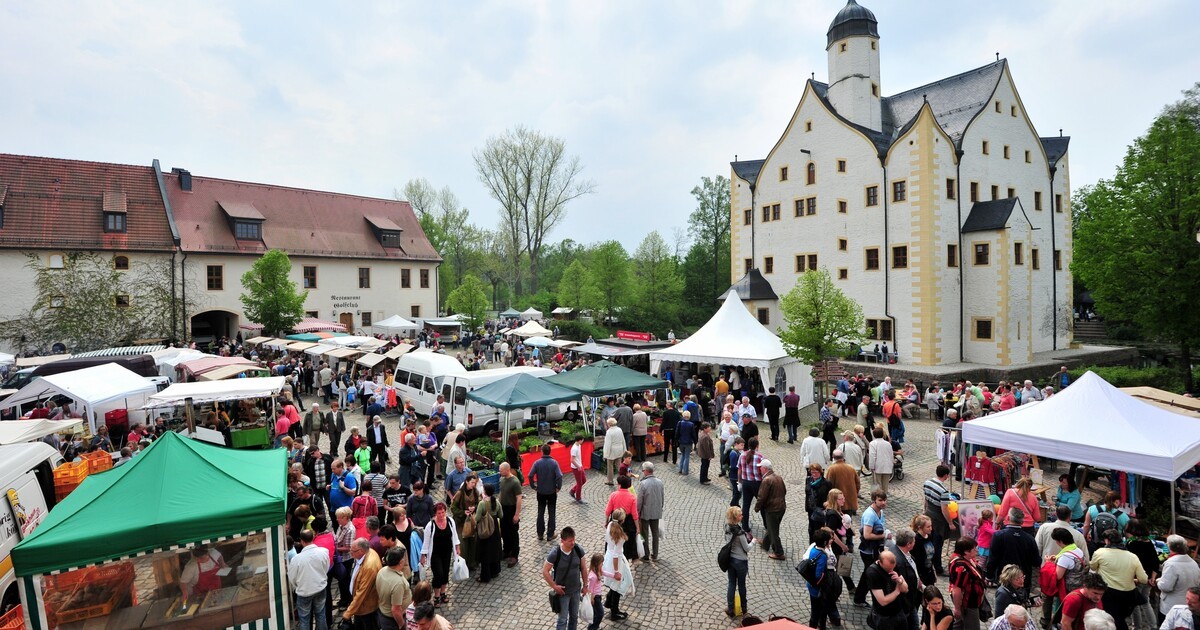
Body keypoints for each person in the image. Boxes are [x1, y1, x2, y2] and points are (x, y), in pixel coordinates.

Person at [1090, 528, 1147, 630]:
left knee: (1112, 621)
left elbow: (1093, 567)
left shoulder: (1100, 552)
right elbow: (1143, 579)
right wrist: (1133, 580)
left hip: (1109, 593)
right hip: (1129, 595)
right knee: (1119, 619)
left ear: (1107, 540)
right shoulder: (1133, 556)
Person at [987, 509, 1040, 594]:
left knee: (1004, 603)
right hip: (1023, 579)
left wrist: (989, 576)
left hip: (1004, 577)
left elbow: (993, 558)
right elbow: (1036, 561)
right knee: (1021, 605)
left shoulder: (998, 535)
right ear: (1022, 521)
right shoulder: (1029, 538)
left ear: (1008, 518)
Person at [543, 526, 587, 630]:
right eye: (570, 541)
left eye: (574, 540)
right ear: (562, 541)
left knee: (574, 617)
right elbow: (545, 571)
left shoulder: (578, 549)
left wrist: (586, 585)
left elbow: (584, 568)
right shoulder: (555, 553)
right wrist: (554, 586)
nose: (573, 543)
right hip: (562, 593)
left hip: (576, 591)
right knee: (562, 620)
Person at [419, 503, 461, 606]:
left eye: (443, 512)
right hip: (435, 554)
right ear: (435, 513)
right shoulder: (431, 525)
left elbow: (455, 536)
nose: (442, 515)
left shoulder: (450, 521)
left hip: (447, 552)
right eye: (439, 513)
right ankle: (436, 596)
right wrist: (423, 556)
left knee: (446, 572)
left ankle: (443, 593)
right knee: (439, 574)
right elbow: (426, 542)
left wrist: (457, 547)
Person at [855, 490, 890, 607]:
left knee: (867, 574)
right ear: (874, 500)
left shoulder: (880, 511)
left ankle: (859, 598)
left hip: (875, 549)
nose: (883, 503)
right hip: (868, 551)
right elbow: (867, 535)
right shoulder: (870, 515)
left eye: (884, 500)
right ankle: (867, 599)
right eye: (880, 500)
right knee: (870, 574)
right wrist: (884, 535)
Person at [288, 530, 329, 630]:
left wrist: (298, 586)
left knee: (304, 619)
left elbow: (292, 578)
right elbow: (326, 568)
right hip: (320, 588)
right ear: (313, 537)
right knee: (320, 614)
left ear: (302, 541)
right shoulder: (324, 552)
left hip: (304, 592)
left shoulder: (296, 559)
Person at [1123, 519, 1159, 630]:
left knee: (1134, 604)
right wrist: (1153, 578)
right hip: (1148, 579)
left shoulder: (1132, 544)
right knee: (1145, 602)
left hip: (1136, 579)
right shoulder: (1149, 542)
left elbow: (1128, 563)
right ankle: (1153, 626)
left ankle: (1137, 626)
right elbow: (1155, 561)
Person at [922, 464, 958, 576]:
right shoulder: (943, 491)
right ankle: (938, 568)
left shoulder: (927, 482)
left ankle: (927, 562)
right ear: (946, 475)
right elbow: (944, 509)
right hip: (938, 520)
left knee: (928, 541)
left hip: (929, 514)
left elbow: (926, 500)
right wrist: (951, 523)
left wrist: (925, 511)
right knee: (937, 545)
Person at [1156, 535, 1200, 622]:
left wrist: (1158, 581)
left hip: (1171, 607)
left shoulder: (1171, 564)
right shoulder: (1193, 563)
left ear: (1170, 547)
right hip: (1188, 605)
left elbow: (1166, 587)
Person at [865, 550, 911, 630]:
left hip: (899, 611)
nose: (891, 570)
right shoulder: (873, 573)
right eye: (888, 569)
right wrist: (897, 592)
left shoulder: (893, 566)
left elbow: (906, 589)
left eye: (892, 568)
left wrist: (899, 582)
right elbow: (883, 601)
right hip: (884, 616)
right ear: (879, 562)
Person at [886, 529, 922, 630]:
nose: (915, 543)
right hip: (904, 604)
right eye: (914, 541)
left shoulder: (896, 549)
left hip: (909, 602)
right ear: (908, 544)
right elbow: (901, 586)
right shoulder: (899, 562)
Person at [603, 510, 635, 620]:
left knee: (613, 584)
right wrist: (617, 572)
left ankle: (608, 601)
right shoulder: (620, 536)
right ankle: (614, 612)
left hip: (608, 557)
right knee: (617, 585)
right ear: (622, 520)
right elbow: (616, 556)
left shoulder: (610, 525)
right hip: (615, 562)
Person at [343, 538, 382, 629]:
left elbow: (362, 593)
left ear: (361, 551)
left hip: (366, 608)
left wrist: (348, 612)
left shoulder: (369, 567)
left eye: (352, 551)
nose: (350, 552)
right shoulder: (368, 552)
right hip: (360, 606)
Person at [949, 538, 987, 630]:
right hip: (968, 604)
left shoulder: (969, 560)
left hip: (973, 602)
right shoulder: (961, 567)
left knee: (960, 625)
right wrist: (957, 609)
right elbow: (957, 589)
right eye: (974, 549)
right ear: (966, 552)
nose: (977, 550)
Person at [528, 443, 564, 541]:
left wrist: (533, 486)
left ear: (542, 451)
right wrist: (558, 487)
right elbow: (559, 476)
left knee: (540, 512)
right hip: (551, 492)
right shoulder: (554, 463)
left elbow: (530, 475)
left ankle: (540, 533)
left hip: (541, 492)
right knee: (551, 513)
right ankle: (550, 534)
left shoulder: (537, 463)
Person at [804, 527, 837, 630]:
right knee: (818, 612)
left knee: (816, 611)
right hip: (818, 588)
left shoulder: (814, 549)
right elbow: (819, 575)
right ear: (824, 542)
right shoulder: (822, 555)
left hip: (811, 585)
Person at [756, 458, 787, 561]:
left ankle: (779, 553)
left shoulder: (766, 480)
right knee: (771, 527)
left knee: (773, 532)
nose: (760, 469)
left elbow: (761, 496)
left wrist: (757, 507)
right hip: (781, 507)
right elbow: (785, 491)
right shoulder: (779, 477)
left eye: (760, 467)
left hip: (772, 509)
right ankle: (765, 543)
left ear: (765, 469)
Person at [449, 473, 481, 571]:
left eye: (474, 483)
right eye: (472, 483)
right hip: (461, 523)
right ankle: (463, 565)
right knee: (463, 544)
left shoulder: (475, 492)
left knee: (472, 542)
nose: (473, 485)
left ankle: (472, 563)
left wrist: (474, 508)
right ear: (466, 482)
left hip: (471, 521)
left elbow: (478, 503)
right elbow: (453, 508)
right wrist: (463, 512)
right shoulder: (459, 493)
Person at [725, 506, 752, 618]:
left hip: (730, 560)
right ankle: (744, 608)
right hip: (740, 562)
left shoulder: (727, 527)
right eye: (740, 515)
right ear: (736, 518)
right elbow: (747, 548)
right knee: (741, 585)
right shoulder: (740, 533)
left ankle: (730, 609)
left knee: (731, 583)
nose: (742, 516)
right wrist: (753, 542)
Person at [376, 546, 412, 630]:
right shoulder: (398, 583)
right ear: (401, 562)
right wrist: (402, 625)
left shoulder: (383, 570)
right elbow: (395, 610)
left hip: (383, 614)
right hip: (393, 621)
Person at [474, 483, 504, 583]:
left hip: (485, 529)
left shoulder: (482, 503)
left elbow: (477, 518)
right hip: (494, 528)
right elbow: (501, 515)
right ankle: (495, 571)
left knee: (485, 552)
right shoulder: (496, 501)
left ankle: (485, 576)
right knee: (494, 550)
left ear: (485, 492)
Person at [636, 461, 664, 561]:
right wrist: (660, 508)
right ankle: (655, 555)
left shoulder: (643, 484)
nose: (643, 472)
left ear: (647, 471)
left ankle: (646, 555)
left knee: (644, 534)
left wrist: (637, 513)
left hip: (645, 513)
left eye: (643, 471)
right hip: (656, 512)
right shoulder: (660, 482)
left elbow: (639, 501)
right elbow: (662, 498)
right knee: (655, 533)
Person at [498, 462, 523, 567]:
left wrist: (516, 514)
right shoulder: (502, 479)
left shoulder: (515, 482)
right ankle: (506, 550)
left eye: (501, 470)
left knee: (513, 532)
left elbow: (519, 498)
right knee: (504, 531)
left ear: (507, 470)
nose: (499, 472)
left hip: (511, 509)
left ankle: (514, 554)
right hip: (503, 509)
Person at [738, 437, 764, 534]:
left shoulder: (742, 455)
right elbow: (763, 471)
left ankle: (745, 526)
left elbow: (739, 470)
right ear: (757, 446)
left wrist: (740, 481)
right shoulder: (760, 457)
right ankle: (766, 524)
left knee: (746, 505)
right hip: (757, 484)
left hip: (746, 483)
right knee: (762, 504)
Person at [826, 449, 861, 514]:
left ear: (833, 457)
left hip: (837, 502)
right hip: (850, 500)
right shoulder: (851, 468)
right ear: (843, 457)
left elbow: (828, 485)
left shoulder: (831, 469)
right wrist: (854, 494)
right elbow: (858, 483)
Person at [806, 464, 833, 540]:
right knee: (811, 529)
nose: (814, 474)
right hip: (811, 508)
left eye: (816, 472)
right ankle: (811, 545)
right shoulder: (808, 480)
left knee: (819, 529)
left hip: (821, 509)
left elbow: (830, 497)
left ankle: (819, 544)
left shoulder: (827, 483)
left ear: (820, 472)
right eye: (812, 472)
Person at [584, 553, 607, 630]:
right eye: (601, 563)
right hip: (595, 597)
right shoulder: (593, 576)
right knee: (600, 613)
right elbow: (591, 589)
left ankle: (594, 626)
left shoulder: (597, 570)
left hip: (598, 595)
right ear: (597, 563)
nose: (602, 564)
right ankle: (592, 627)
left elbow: (604, 573)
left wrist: (614, 575)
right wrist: (592, 598)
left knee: (596, 613)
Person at [868, 427, 894, 493]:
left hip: (877, 467)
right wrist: (891, 465)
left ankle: (879, 498)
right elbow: (891, 455)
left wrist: (871, 466)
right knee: (885, 485)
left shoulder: (873, 443)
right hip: (887, 466)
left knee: (878, 484)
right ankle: (884, 498)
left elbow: (872, 456)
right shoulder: (888, 444)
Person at [603, 418, 626, 485]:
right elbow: (623, 440)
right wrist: (624, 450)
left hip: (612, 450)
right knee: (619, 465)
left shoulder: (609, 432)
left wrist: (606, 454)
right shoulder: (619, 429)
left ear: (609, 424)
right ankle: (622, 479)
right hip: (619, 449)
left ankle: (610, 480)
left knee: (610, 466)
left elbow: (608, 444)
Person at [661, 400, 680, 465]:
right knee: (674, 445)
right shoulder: (677, 413)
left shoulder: (665, 413)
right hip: (674, 430)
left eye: (666, 404)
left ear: (669, 405)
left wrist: (661, 429)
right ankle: (674, 460)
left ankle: (665, 458)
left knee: (667, 445)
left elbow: (663, 422)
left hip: (667, 430)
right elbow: (679, 422)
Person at [569, 435, 587, 504]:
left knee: (584, 480)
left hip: (579, 466)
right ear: (579, 440)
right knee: (579, 483)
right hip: (576, 468)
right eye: (582, 440)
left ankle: (573, 490)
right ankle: (578, 498)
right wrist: (578, 466)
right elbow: (572, 460)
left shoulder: (579, 445)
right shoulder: (574, 449)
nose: (583, 441)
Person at [677, 411, 695, 476]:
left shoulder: (680, 423)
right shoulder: (691, 424)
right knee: (687, 456)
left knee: (682, 455)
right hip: (688, 442)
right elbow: (693, 434)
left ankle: (680, 469)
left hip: (681, 441)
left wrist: (676, 441)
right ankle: (685, 471)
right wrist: (695, 441)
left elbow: (677, 433)